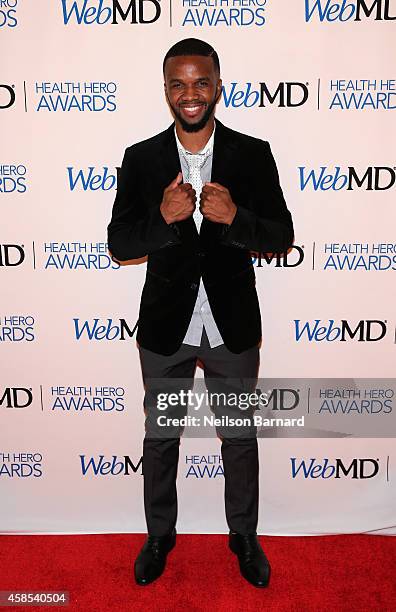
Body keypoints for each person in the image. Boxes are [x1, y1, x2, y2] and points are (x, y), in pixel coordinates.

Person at [107, 37, 294, 588]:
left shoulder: (252, 153)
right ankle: (160, 535)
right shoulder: (141, 159)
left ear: (217, 85)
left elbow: (282, 235)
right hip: (167, 326)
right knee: (161, 437)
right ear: (166, 90)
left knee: (238, 438)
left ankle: (244, 536)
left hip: (230, 325)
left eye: (200, 81)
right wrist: (165, 219)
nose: (190, 94)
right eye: (178, 83)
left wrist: (235, 216)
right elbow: (119, 243)